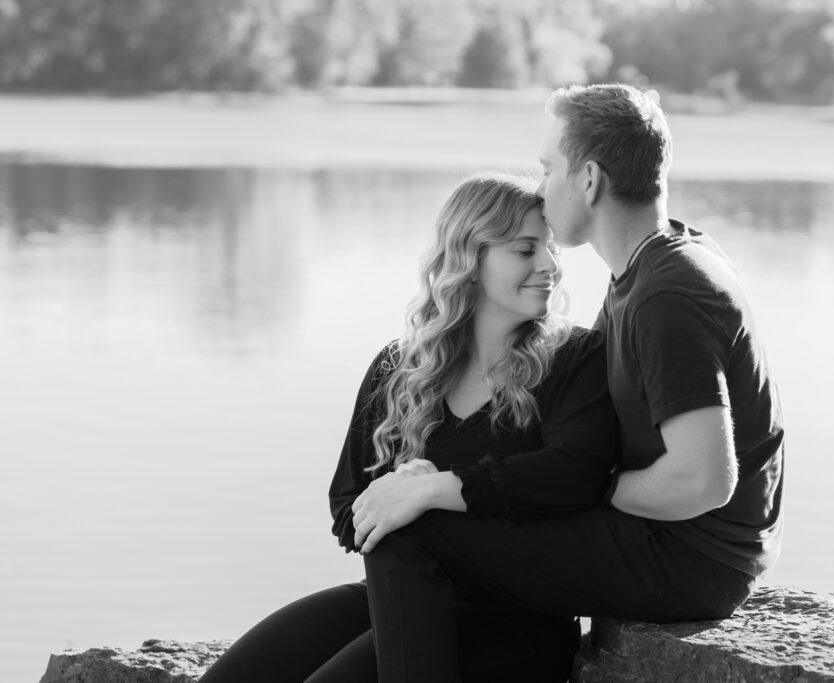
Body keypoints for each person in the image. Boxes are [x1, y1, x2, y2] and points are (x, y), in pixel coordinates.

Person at [360, 83, 785, 683]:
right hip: (670, 540)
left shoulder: (669, 293)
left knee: (417, 531)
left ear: (588, 179)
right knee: (427, 534)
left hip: (691, 558)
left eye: (548, 168)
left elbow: (704, 480)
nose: (540, 188)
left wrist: (586, 487)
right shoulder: (653, 266)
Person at [197, 173, 619, 683]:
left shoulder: (575, 358)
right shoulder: (400, 368)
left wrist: (431, 493)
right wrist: (398, 488)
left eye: (550, 247)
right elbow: (347, 505)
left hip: (519, 621)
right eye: (526, 249)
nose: (550, 265)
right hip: (400, 596)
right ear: (469, 257)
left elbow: (575, 475)